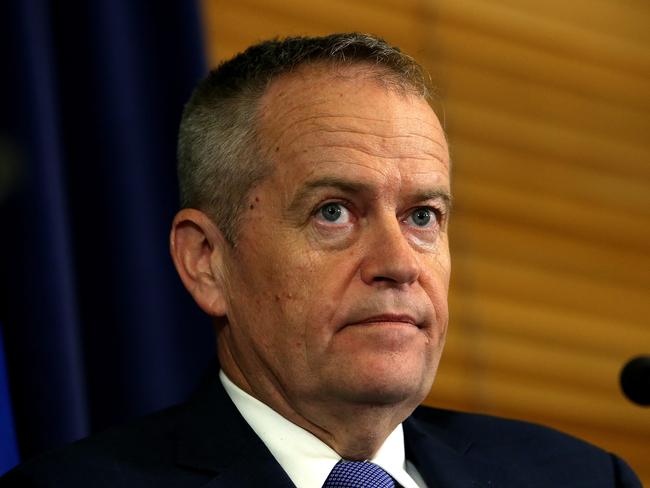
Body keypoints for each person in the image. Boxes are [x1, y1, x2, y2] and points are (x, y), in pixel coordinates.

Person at [0, 33, 640, 487]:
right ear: (206, 261)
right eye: (334, 211)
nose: (397, 262)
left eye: (422, 216)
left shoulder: (581, 476)